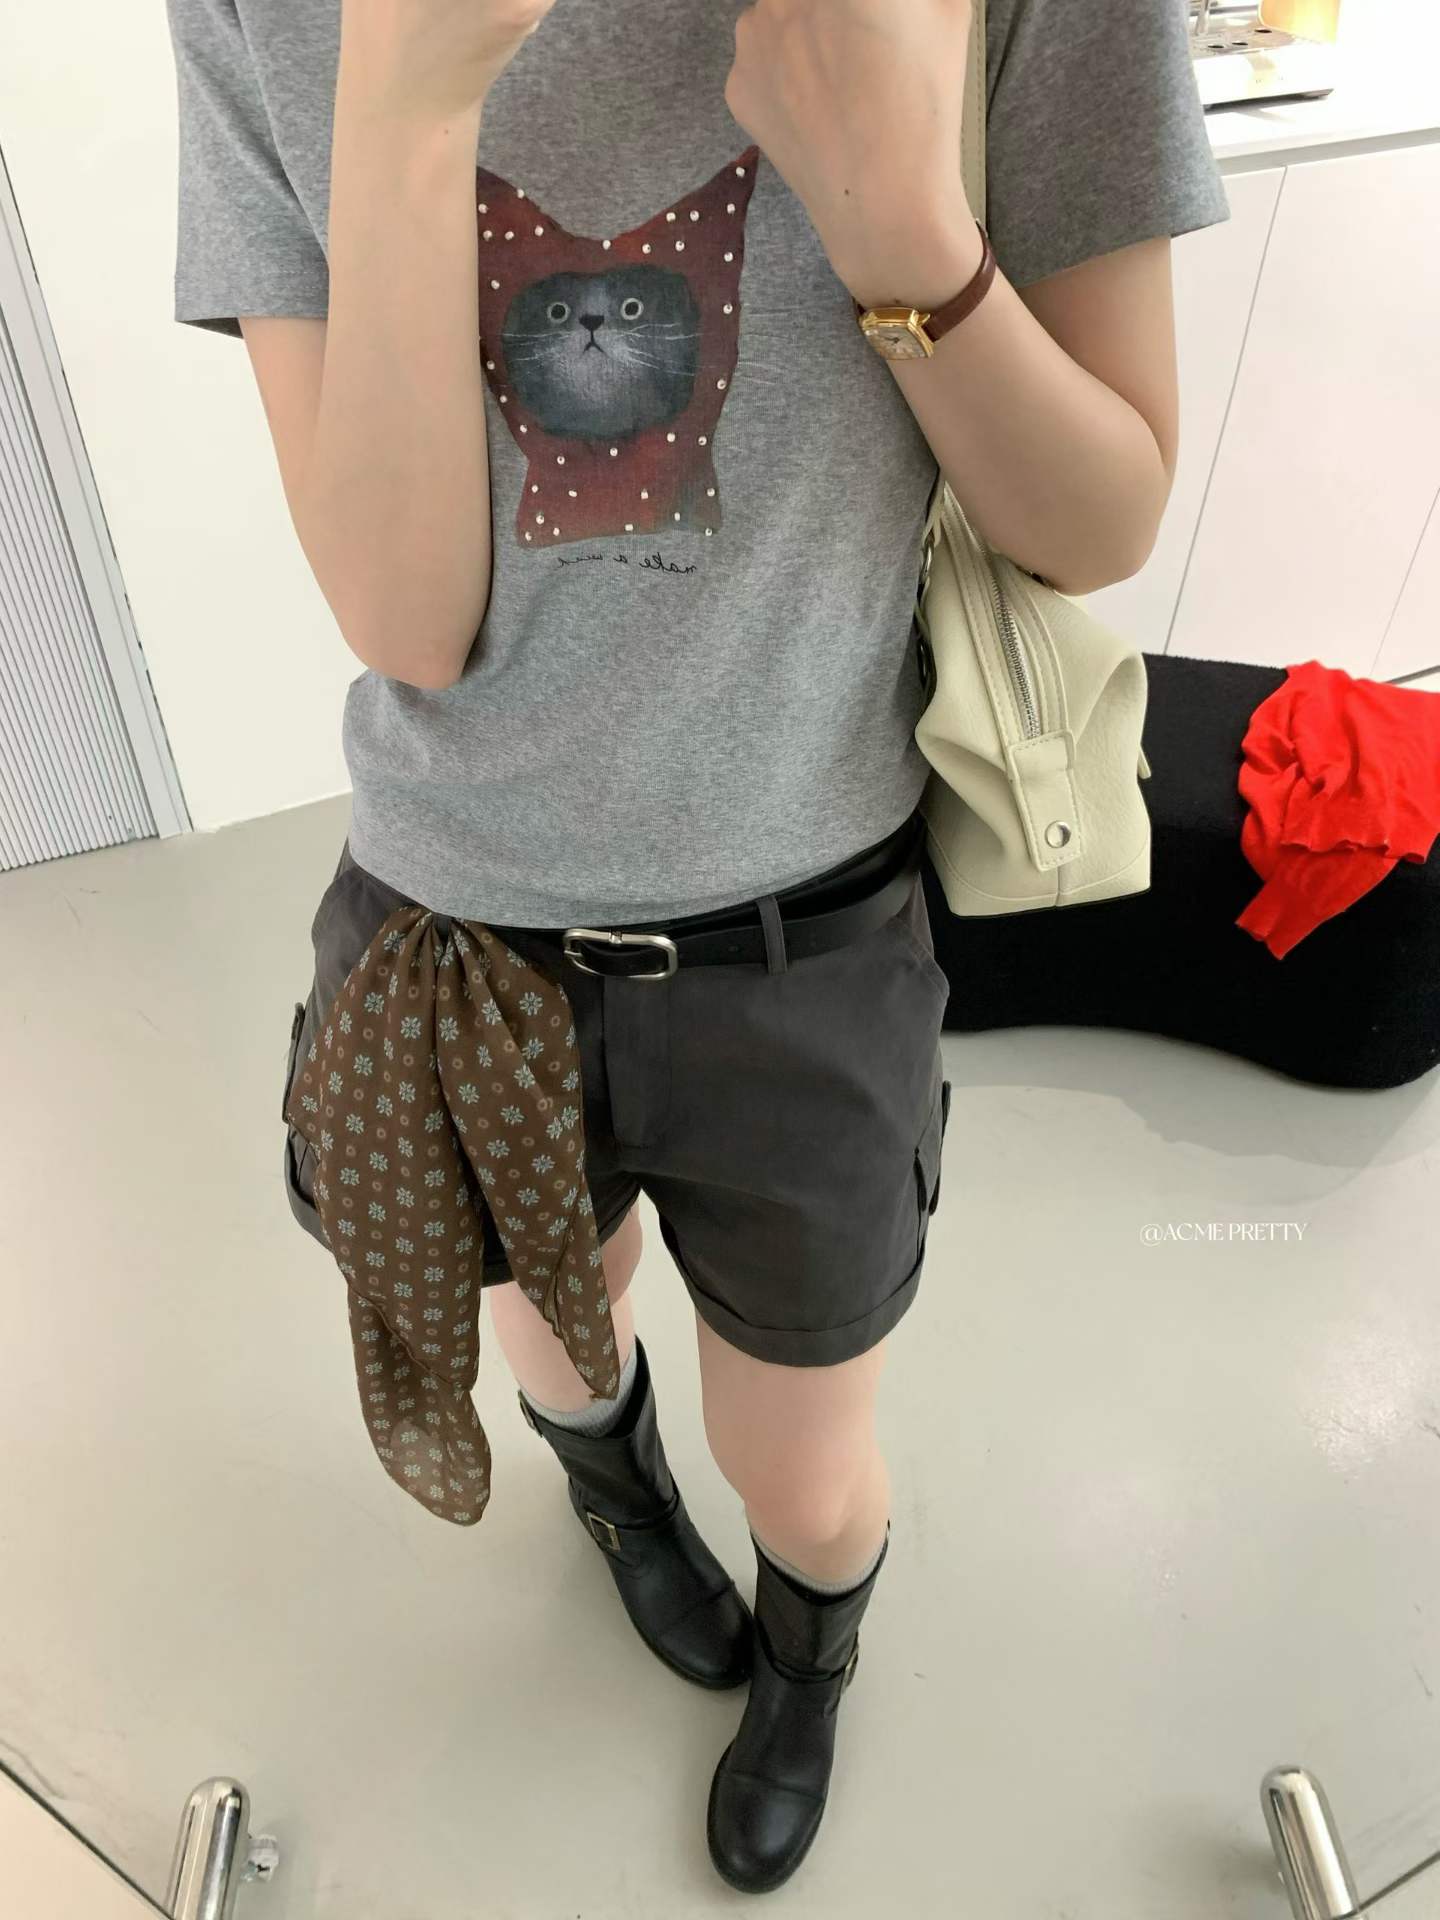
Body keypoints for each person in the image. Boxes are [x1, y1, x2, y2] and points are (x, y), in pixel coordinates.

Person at [165, 0, 1229, 1892]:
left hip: (806, 932)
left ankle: (811, 1654)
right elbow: (408, 621)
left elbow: (1100, 519)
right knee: (559, 1335)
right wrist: (402, 115)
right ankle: (620, 1502)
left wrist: (905, 228)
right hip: (456, 925)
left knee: (806, 1467)